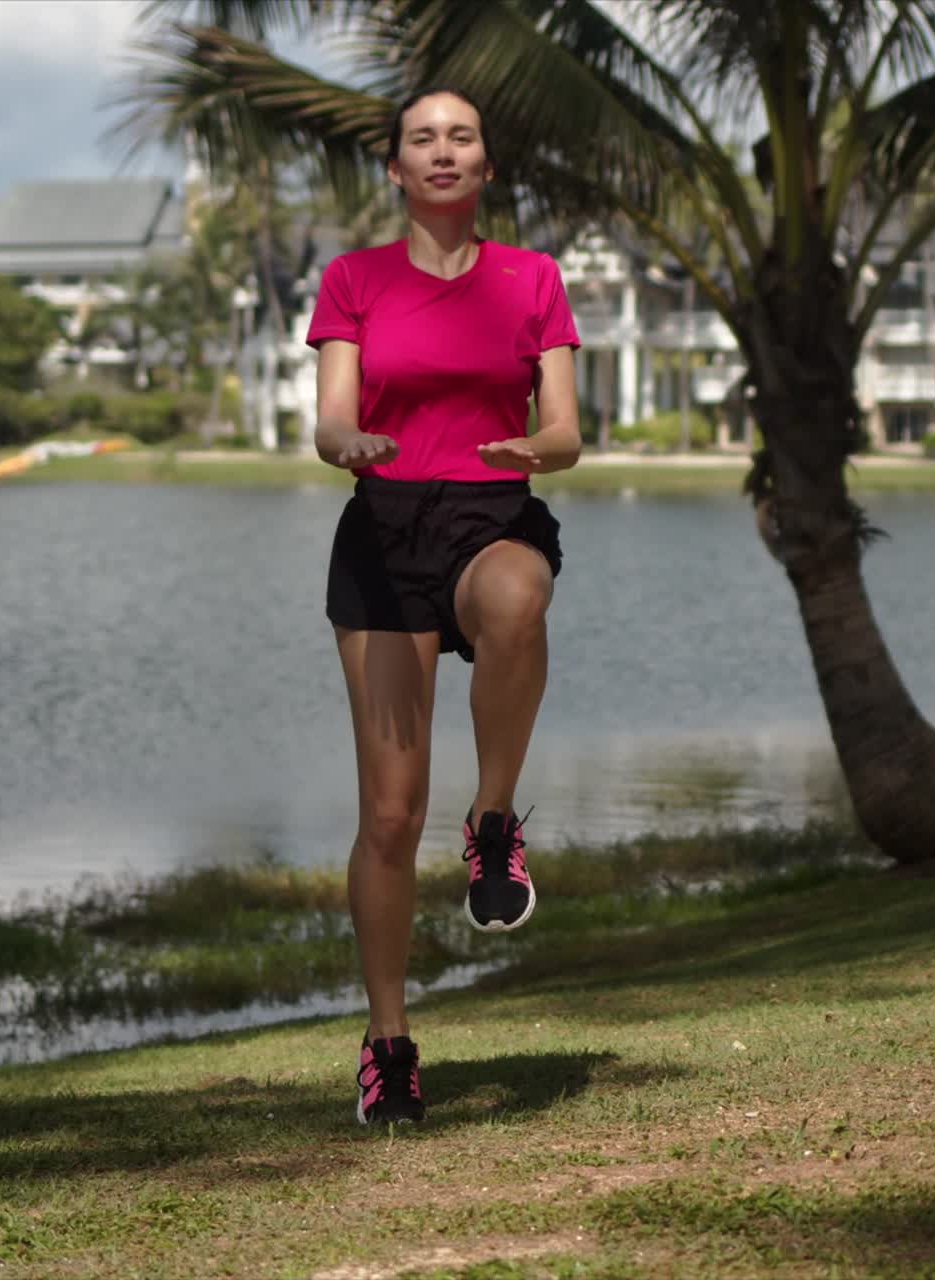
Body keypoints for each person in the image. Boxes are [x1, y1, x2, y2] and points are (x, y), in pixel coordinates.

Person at [305, 85, 582, 1126]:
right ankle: (387, 1044)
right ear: (396, 168)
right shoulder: (353, 280)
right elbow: (333, 414)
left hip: (488, 514)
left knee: (518, 594)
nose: (441, 150)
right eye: (421, 137)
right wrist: (348, 444)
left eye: (460, 136)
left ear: (483, 165)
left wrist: (536, 448)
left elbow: (562, 429)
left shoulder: (530, 279)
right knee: (385, 814)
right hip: (381, 530)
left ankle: (493, 818)